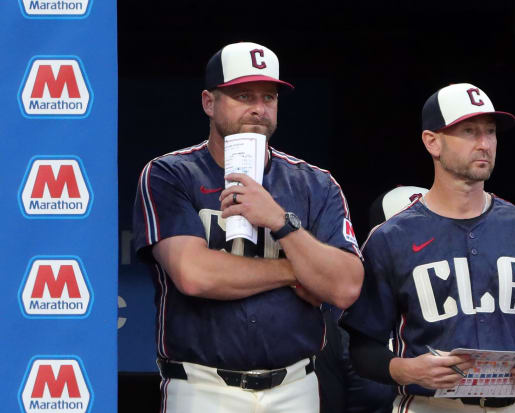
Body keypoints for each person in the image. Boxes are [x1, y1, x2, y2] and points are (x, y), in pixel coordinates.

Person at [133, 41, 364, 413]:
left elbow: (346, 286)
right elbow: (194, 275)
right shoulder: (170, 174)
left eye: (268, 97)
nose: (258, 108)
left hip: (295, 385)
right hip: (203, 387)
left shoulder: (314, 183)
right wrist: (297, 271)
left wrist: (279, 222)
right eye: (243, 96)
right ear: (210, 103)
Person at [340, 83, 515, 413]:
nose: (484, 144)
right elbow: (363, 345)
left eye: (490, 132)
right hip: (430, 404)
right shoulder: (392, 236)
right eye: (469, 131)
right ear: (432, 141)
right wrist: (403, 369)